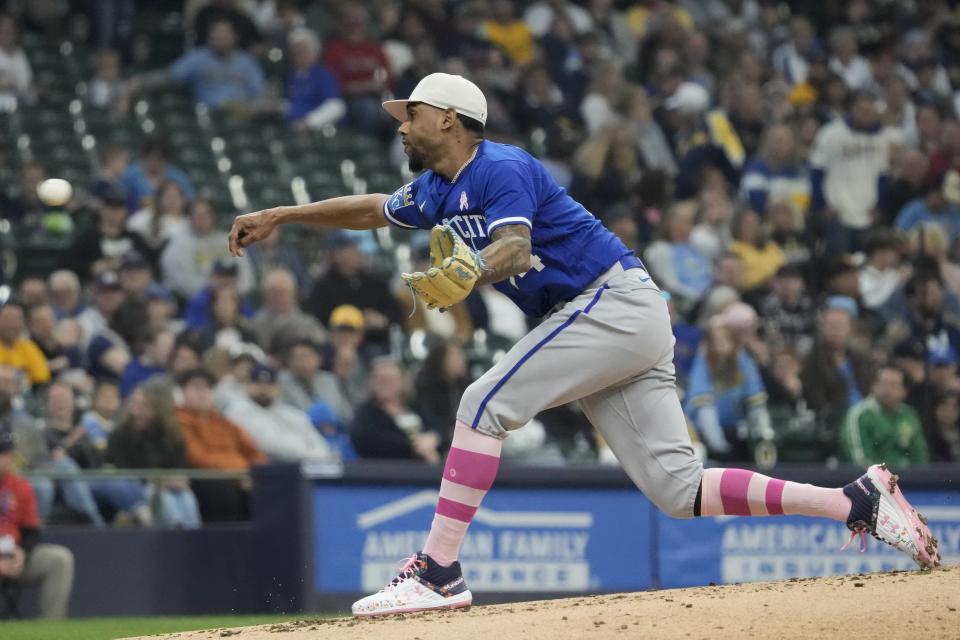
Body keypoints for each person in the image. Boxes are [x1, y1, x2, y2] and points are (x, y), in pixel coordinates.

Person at [229, 72, 941, 617]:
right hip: (615, 320)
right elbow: (369, 211)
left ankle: (439, 573)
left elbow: (511, 247)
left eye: (408, 112)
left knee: (483, 402)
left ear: (448, 116)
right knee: (681, 491)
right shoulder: (438, 189)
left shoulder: (496, 167)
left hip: (611, 304)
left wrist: (471, 269)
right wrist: (282, 215)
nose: (401, 124)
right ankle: (855, 500)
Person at [809, 90, 903, 255]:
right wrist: (821, 204)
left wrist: (880, 206)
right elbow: (817, 171)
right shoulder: (831, 133)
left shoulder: (881, 138)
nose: (865, 114)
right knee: (840, 262)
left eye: (869, 110)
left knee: (866, 261)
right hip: (838, 213)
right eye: (861, 109)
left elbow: (883, 176)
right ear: (851, 109)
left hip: (867, 214)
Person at [0, 427, 74, 619]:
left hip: (14, 556)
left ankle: (51, 631)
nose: (4, 459)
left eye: (6, 453)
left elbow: (31, 531)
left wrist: (21, 553)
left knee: (59, 559)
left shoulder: (20, 486)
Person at [107, 380, 201, 529]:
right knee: (164, 498)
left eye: (144, 406)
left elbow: (180, 465)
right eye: (135, 404)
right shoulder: (120, 434)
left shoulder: (172, 434)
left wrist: (179, 479)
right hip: (141, 488)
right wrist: (156, 480)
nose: (137, 411)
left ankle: (194, 537)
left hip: (171, 485)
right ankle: (175, 535)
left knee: (187, 498)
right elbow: (123, 471)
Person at [175, 369, 265, 522]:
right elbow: (197, 457)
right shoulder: (178, 422)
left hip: (239, 477)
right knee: (219, 488)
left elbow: (254, 453)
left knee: (268, 487)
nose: (202, 393)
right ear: (182, 392)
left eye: (207, 387)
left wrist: (255, 474)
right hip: (204, 478)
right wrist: (239, 474)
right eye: (196, 387)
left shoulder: (224, 422)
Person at [685, 323, 770, 461]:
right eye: (716, 341)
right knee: (705, 411)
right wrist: (720, 448)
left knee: (756, 411)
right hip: (705, 432)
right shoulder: (704, 359)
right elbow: (702, 404)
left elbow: (756, 397)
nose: (720, 345)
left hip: (737, 427)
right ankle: (720, 450)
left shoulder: (741, 358)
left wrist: (762, 435)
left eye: (725, 340)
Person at [222, 362, 335, 462]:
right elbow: (271, 445)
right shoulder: (239, 410)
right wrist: (313, 455)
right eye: (258, 383)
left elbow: (317, 441)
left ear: (277, 388)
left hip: (305, 466)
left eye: (269, 384)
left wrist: (320, 456)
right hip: (267, 470)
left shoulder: (289, 412)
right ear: (247, 385)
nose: (263, 389)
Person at [349, 358, 440, 463]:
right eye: (379, 379)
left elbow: (438, 429)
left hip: (426, 467)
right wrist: (414, 445)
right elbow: (365, 439)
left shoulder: (415, 406)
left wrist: (433, 438)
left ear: (402, 382)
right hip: (387, 470)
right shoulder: (365, 413)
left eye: (390, 379)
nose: (384, 384)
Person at [162, 201, 255, 302]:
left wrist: (234, 290)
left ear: (214, 217)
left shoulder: (227, 240)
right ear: (190, 217)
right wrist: (211, 288)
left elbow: (247, 275)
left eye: (206, 214)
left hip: (232, 299)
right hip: (194, 301)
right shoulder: (178, 244)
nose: (202, 219)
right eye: (197, 215)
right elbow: (181, 281)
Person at [840, 366, 930, 468]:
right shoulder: (860, 414)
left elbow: (920, 457)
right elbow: (859, 460)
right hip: (871, 480)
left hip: (907, 480)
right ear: (873, 386)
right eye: (883, 384)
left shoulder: (909, 415)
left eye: (894, 385)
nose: (888, 390)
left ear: (904, 391)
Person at [249, 269, 326, 355]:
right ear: (266, 296)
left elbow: (322, 346)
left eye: (283, 293)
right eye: (275, 293)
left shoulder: (309, 324)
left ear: (295, 295)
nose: (279, 298)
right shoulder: (256, 325)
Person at [276, 338, 352, 422]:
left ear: (319, 359)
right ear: (289, 361)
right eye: (296, 357)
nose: (301, 361)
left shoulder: (329, 380)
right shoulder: (281, 381)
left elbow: (346, 413)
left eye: (306, 356)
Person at [285, 28, 345, 130]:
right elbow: (294, 103)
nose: (296, 55)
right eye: (294, 51)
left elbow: (336, 106)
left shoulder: (322, 75)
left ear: (314, 52)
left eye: (301, 51)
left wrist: (309, 122)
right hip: (290, 126)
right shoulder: (292, 75)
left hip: (316, 130)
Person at [119, 138, 194, 214]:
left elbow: (189, 201)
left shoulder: (178, 178)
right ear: (144, 158)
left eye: (159, 159)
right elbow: (119, 199)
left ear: (166, 161)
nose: (154, 163)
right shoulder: (130, 175)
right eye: (151, 158)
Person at [0, 300, 51, 388]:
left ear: (23, 323)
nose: (12, 324)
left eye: (16, 319)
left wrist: (15, 377)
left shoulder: (29, 347)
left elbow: (42, 377)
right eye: (7, 318)